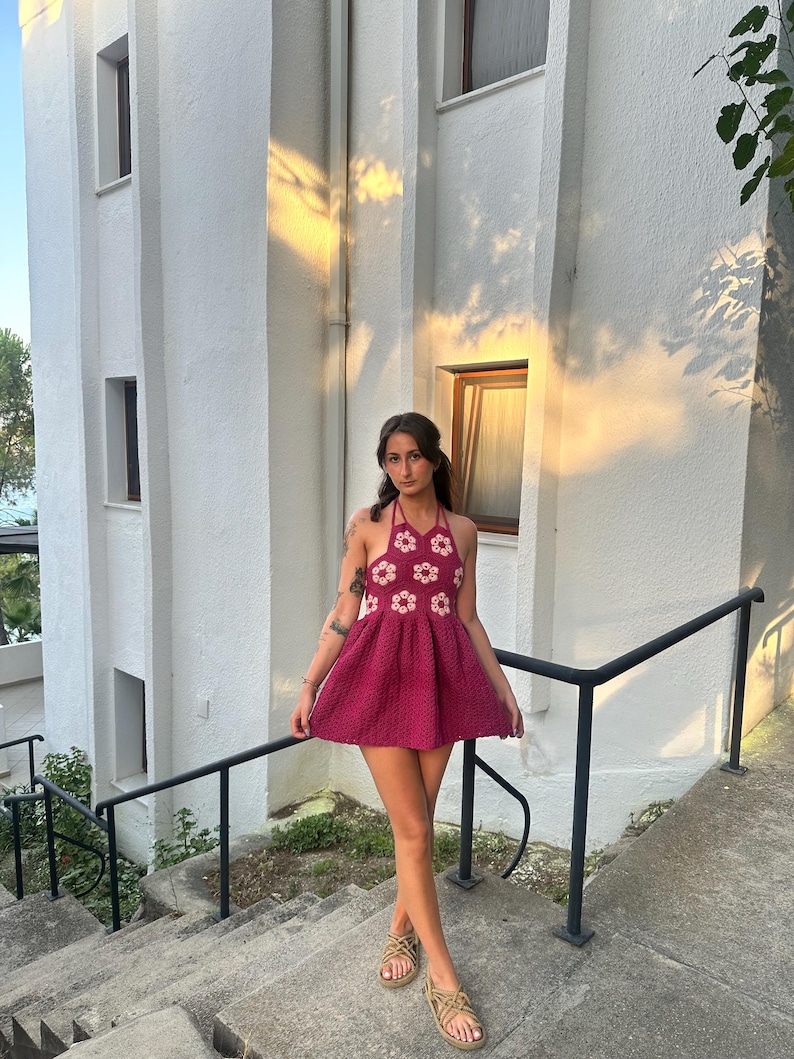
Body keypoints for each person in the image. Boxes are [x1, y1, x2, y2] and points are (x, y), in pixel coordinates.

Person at [290, 412, 523, 1051]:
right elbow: (345, 610)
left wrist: (503, 693)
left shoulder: (465, 532)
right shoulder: (366, 528)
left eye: (414, 456)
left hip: (441, 682)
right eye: (392, 459)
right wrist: (309, 684)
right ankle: (443, 980)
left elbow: (469, 619)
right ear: (384, 465)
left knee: (414, 822)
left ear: (435, 459)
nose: (404, 469)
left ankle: (401, 928)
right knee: (415, 828)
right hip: (375, 677)